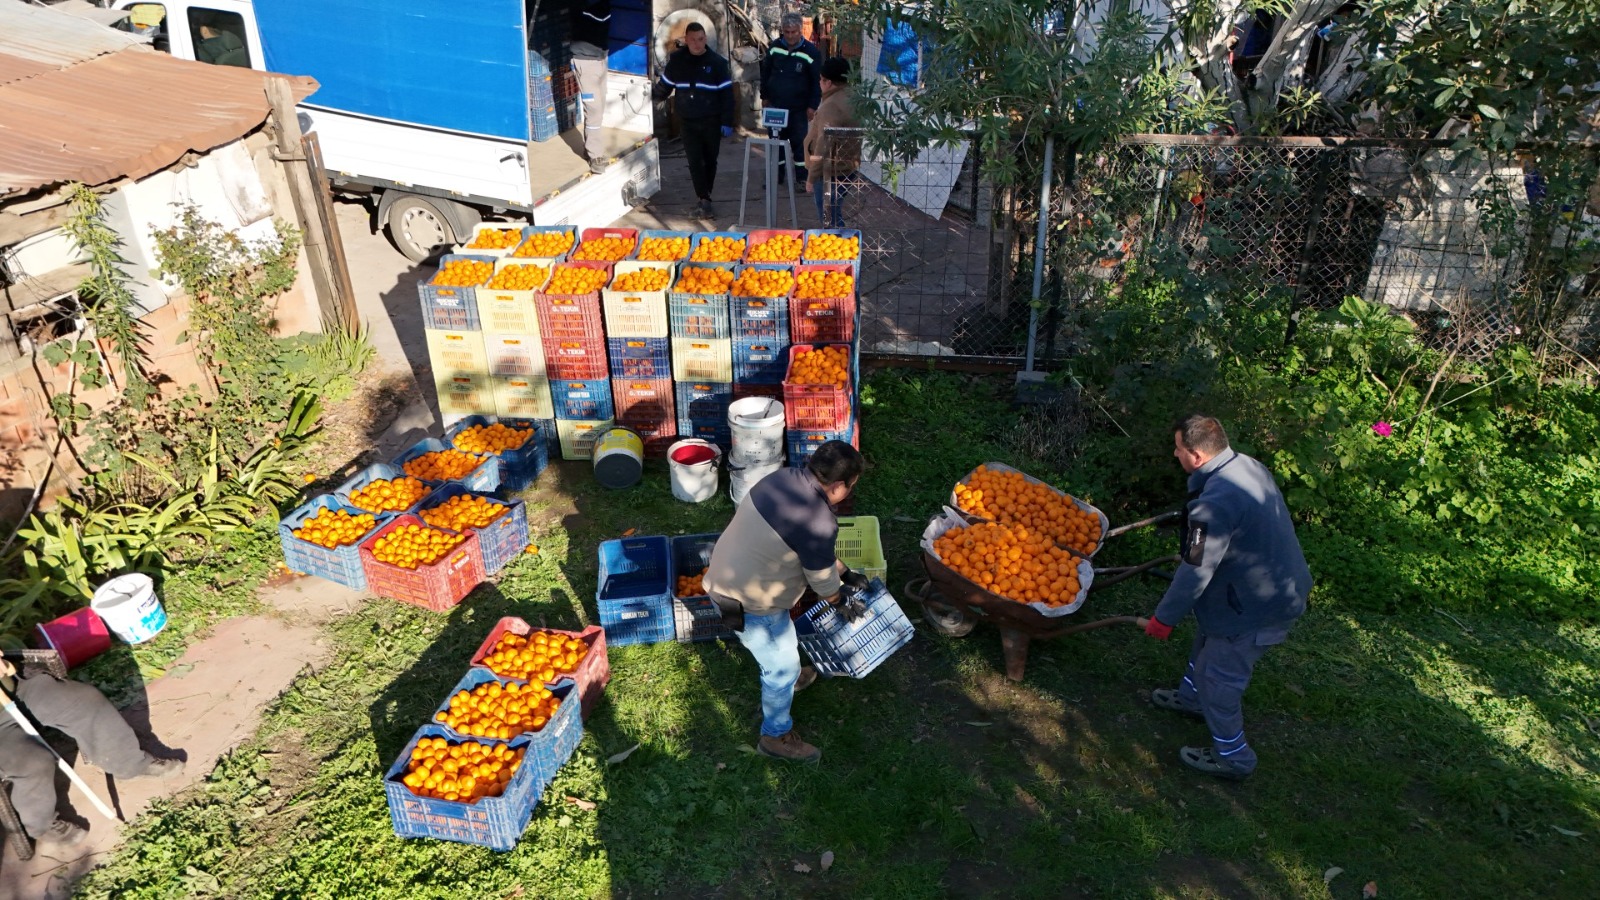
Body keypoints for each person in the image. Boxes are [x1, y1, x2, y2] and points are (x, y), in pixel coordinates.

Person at [1143, 415, 1313, 780]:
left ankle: (1235, 757)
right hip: (1261, 584)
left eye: (1178, 449)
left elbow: (1195, 570)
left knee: (1217, 678)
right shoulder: (1247, 466)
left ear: (1197, 456)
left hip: (1258, 605)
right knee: (1208, 637)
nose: (1174, 454)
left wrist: (1164, 618)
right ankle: (1191, 699)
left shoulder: (1217, 503)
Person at [704, 441, 868, 763]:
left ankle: (790, 680)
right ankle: (775, 736)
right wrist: (839, 599)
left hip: (720, 582)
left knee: (781, 649)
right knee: (779, 667)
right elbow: (821, 579)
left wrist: (845, 572)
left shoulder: (780, 481)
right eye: (851, 486)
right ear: (837, 486)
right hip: (752, 606)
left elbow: (807, 544)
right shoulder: (819, 520)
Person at [1, 656, 185, 848]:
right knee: (31, 762)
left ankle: (127, 763)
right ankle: (40, 825)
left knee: (84, 702)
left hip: (16, 689)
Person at [653, 22, 735, 218]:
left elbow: (727, 96)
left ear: (705, 39)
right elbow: (665, 87)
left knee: (710, 161)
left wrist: (727, 121)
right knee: (695, 161)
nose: (697, 44)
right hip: (688, 120)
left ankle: (706, 195)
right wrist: (647, 98)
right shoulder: (677, 61)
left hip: (711, 121)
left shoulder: (717, 63)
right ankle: (704, 199)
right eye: (693, 40)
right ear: (686, 40)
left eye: (700, 39)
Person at [759, 13, 822, 192]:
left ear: (800, 30)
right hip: (775, 107)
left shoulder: (811, 53)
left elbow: (816, 82)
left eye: (794, 32)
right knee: (775, 143)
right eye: (787, 32)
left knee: (799, 144)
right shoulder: (774, 48)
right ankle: (776, 177)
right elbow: (765, 73)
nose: (790, 36)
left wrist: (812, 106)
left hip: (798, 109)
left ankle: (802, 179)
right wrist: (764, 96)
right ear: (782, 31)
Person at [804, 57, 861, 228]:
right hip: (848, 166)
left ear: (827, 82)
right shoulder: (853, 98)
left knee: (829, 218)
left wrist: (811, 177)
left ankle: (839, 250)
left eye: (821, 80)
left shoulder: (831, 106)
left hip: (830, 172)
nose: (819, 83)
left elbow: (822, 146)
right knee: (834, 212)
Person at [569, 1, 612, 174]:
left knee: (599, 108)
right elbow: (598, 18)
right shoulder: (582, 6)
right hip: (585, 63)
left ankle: (589, 149)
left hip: (601, 59)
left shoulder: (603, 6)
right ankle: (596, 156)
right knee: (593, 109)